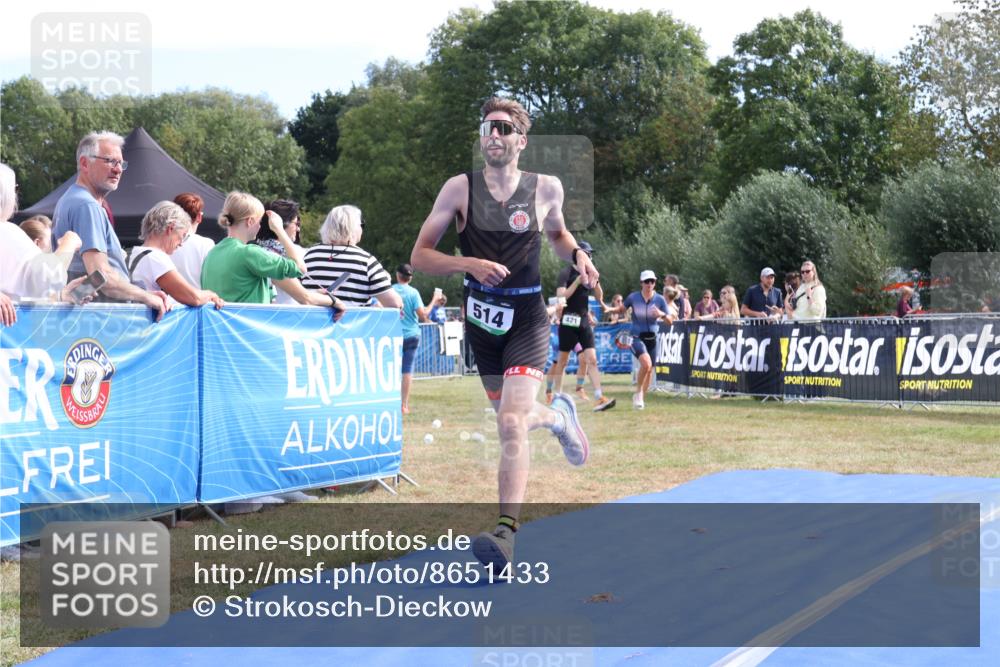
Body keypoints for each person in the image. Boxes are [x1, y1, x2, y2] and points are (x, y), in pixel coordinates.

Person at [410, 96, 597, 570]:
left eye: (504, 128)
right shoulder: (459, 189)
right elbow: (420, 257)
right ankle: (558, 419)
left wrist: (578, 256)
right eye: (488, 127)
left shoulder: (545, 187)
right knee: (509, 421)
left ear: (521, 141)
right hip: (481, 322)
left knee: (513, 422)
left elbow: (556, 235)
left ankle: (506, 535)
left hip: (527, 316)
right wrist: (467, 263)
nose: (494, 134)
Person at [52, 131, 168, 320]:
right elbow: (101, 275)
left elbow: (91, 280)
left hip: (87, 324)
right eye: (109, 161)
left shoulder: (72, 200)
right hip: (101, 325)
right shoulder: (86, 205)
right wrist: (145, 297)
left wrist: (71, 297)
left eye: (120, 163)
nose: (118, 169)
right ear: (84, 163)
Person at [201, 192, 344, 310]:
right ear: (250, 221)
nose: (262, 226)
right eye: (260, 221)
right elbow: (300, 268)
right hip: (248, 335)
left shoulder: (212, 253)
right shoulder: (250, 253)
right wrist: (279, 230)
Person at [1, 162, 86, 309]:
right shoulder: (6, 231)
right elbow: (48, 278)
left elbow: (27, 288)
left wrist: (59, 296)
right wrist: (68, 244)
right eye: (14, 189)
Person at [548, 242, 616, 412]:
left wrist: (596, 282)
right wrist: (577, 281)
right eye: (586, 253)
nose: (589, 257)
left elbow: (599, 296)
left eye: (590, 254)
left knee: (591, 359)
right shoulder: (566, 273)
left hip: (584, 321)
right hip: (568, 321)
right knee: (562, 361)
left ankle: (599, 397)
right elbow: (560, 297)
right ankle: (557, 396)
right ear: (578, 255)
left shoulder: (590, 274)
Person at [127, 201, 224, 309]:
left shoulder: (132, 253)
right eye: (183, 236)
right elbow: (193, 297)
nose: (181, 243)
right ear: (170, 228)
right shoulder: (157, 258)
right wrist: (211, 295)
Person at [302, 205, 402, 309]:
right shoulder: (366, 260)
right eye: (361, 225)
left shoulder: (308, 255)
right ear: (354, 228)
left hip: (310, 323)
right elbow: (395, 304)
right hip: (352, 323)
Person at [623, 270, 669, 410]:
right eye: (647, 281)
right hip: (636, 337)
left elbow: (670, 321)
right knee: (646, 364)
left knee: (650, 370)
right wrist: (607, 307)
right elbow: (621, 308)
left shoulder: (660, 299)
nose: (650, 284)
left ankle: (641, 395)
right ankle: (638, 393)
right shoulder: (633, 297)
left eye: (652, 281)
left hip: (652, 338)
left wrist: (661, 314)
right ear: (641, 283)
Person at [392, 263, 430, 414]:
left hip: (394, 335)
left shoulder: (391, 290)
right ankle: (404, 405)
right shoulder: (413, 293)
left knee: (391, 369)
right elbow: (423, 315)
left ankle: (390, 401)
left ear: (397, 275)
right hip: (412, 335)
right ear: (411, 278)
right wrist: (434, 299)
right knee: (407, 370)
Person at [255, 199, 305, 304]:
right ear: (281, 224)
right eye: (296, 223)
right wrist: (333, 301)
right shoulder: (271, 255)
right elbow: (304, 298)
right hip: (280, 317)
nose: (298, 229)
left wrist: (315, 293)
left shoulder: (261, 250)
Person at [171, 193, 215, 289]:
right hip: (200, 301)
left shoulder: (165, 243)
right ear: (199, 217)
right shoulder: (207, 244)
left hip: (168, 302)